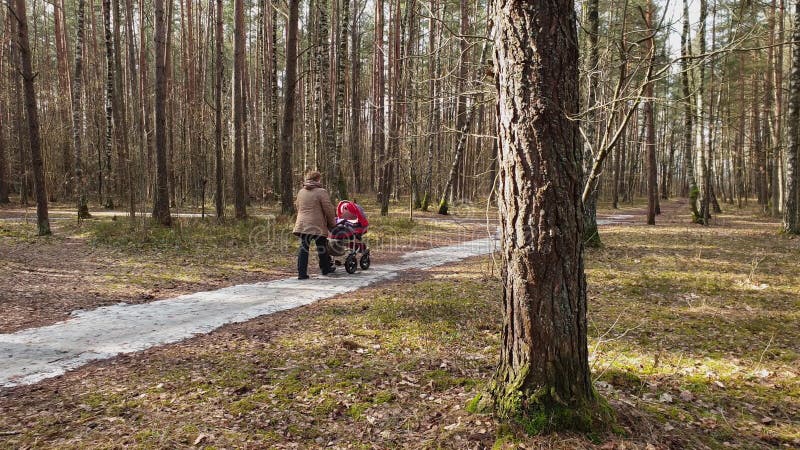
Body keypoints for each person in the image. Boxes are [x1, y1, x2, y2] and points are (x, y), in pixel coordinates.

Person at [293, 171, 337, 279]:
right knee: (322, 246)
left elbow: (297, 206)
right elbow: (328, 209)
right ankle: (325, 269)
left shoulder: (301, 192)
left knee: (304, 247)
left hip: (303, 224)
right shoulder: (321, 192)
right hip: (317, 224)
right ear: (317, 179)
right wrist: (332, 223)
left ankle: (301, 273)